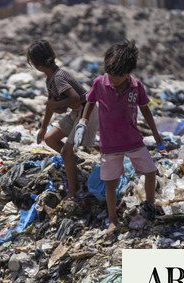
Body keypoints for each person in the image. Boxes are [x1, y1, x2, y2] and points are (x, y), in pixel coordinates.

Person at [80, 40, 163, 234]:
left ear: (128, 72)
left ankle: (149, 207)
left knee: (150, 172)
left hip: (133, 141)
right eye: (111, 74)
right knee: (111, 182)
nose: (113, 79)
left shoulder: (136, 86)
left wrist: (156, 134)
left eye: (118, 75)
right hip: (109, 145)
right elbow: (90, 102)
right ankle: (113, 220)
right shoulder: (99, 83)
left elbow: (146, 110)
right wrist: (83, 121)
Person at [26, 40, 100, 198]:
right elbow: (50, 106)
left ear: (36, 65)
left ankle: (73, 192)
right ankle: (72, 161)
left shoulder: (58, 77)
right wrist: (43, 128)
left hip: (87, 112)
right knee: (50, 138)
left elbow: (75, 99)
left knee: (65, 151)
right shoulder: (50, 79)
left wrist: (56, 103)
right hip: (76, 112)